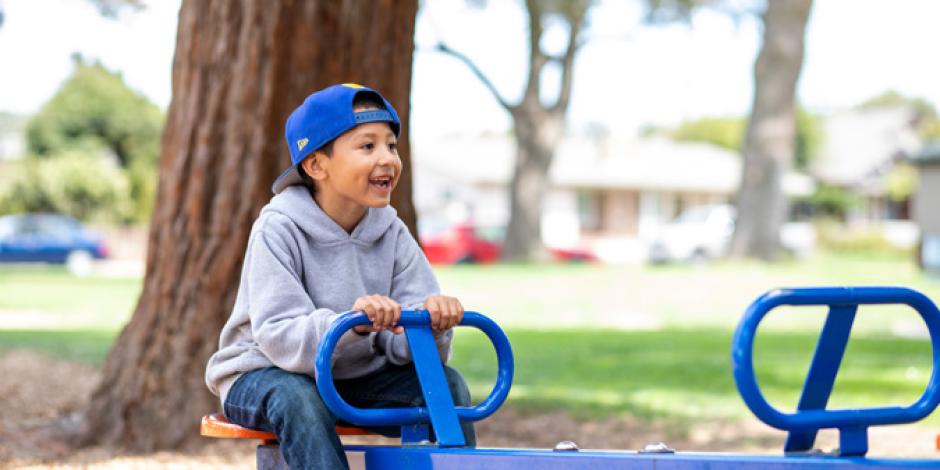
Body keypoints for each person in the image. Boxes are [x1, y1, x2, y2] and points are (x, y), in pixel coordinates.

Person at [205, 83, 475, 469]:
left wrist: (430, 323)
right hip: (266, 373)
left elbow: (406, 347)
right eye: (368, 146)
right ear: (317, 165)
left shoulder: (391, 232)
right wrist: (352, 324)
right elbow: (279, 335)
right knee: (299, 399)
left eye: (391, 146)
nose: (387, 158)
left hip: (354, 377)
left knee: (445, 387)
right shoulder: (279, 228)